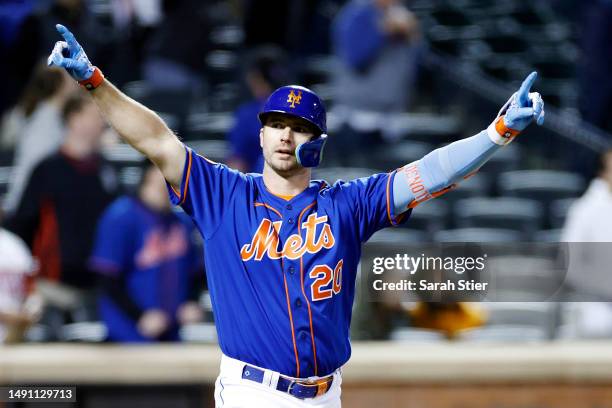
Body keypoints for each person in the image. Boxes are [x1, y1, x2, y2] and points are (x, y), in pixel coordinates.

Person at [48, 24, 545, 406]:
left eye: (300, 127)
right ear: (261, 135)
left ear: (319, 143)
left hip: (327, 393)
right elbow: (155, 138)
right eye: (276, 124)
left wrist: (496, 132)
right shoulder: (222, 194)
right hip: (252, 393)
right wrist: (94, 81)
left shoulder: (348, 205)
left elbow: (430, 173)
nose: (286, 134)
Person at [5, 91, 118, 340]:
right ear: (74, 119)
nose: (102, 121)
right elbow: (22, 226)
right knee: (49, 374)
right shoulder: (47, 169)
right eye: (95, 115)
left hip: (94, 288)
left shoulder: (105, 171)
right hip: (52, 288)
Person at [90, 162, 204, 342]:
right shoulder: (121, 217)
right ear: (144, 183)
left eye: (173, 186)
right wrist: (140, 316)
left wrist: (191, 301)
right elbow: (107, 277)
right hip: (126, 335)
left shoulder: (181, 222)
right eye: (161, 187)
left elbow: (196, 273)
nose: (168, 193)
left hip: (171, 333)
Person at [2, 64, 75, 214]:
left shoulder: (54, 115)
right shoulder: (45, 120)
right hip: (28, 203)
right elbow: (33, 165)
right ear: (59, 86)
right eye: (69, 78)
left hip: (32, 200)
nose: (75, 82)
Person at [560, 149, 612, 338]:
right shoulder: (584, 210)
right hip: (595, 303)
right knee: (597, 324)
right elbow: (570, 265)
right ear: (604, 172)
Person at [226, 46, 291, 173]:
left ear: (256, 78)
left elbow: (238, 164)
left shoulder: (248, 114)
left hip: (261, 185)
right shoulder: (302, 111)